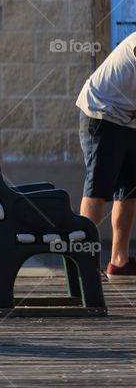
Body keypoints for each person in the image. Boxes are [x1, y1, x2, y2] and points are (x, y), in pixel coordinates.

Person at [77, 32, 136, 280]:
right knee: (98, 189)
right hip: (101, 113)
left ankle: (119, 262)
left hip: (129, 119)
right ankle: (84, 264)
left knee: (130, 189)